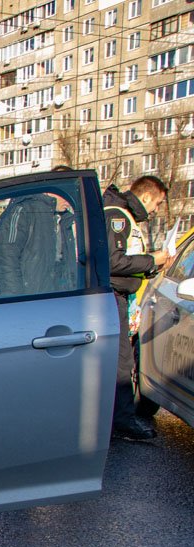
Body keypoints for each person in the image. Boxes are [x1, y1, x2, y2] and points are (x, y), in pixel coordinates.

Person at [103, 175, 171, 440]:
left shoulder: (124, 214)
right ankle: (122, 423)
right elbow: (113, 262)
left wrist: (152, 267)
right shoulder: (118, 216)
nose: (155, 211)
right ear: (146, 196)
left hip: (117, 296)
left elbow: (125, 262)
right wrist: (150, 259)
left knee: (121, 360)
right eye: (157, 204)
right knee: (122, 362)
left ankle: (117, 420)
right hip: (112, 297)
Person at [0, 166, 79, 296]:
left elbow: (64, 266)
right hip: (27, 300)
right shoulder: (25, 210)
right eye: (65, 192)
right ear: (52, 188)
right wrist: (15, 298)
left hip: (52, 299)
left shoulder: (64, 219)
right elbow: (6, 256)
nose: (68, 199)